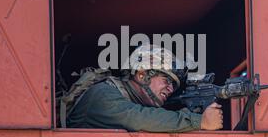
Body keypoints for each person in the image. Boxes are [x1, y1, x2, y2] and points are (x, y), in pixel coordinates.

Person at [66, 45, 223, 132]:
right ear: (142, 75)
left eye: (173, 86)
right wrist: (199, 121)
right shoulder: (103, 95)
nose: (170, 89)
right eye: (166, 81)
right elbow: (141, 118)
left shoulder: (130, 99)